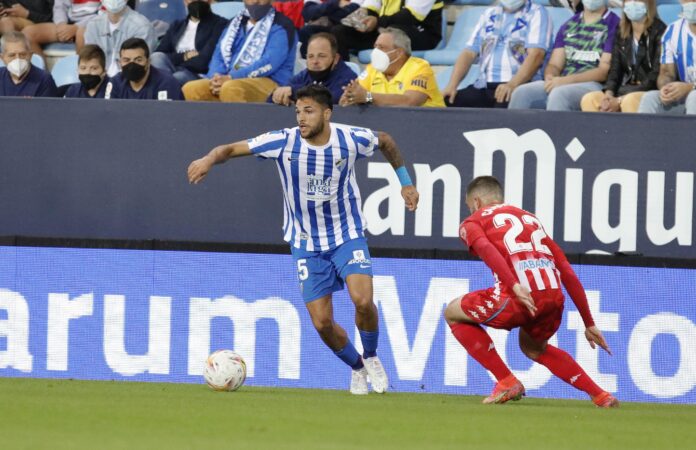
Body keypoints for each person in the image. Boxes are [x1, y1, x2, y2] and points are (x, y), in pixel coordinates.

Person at [187, 85, 420, 395]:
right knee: (322, 323)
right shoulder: (283, 142)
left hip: (347, 234)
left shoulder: (350, 139)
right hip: (306, 243)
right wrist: (208, 159)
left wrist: (405, 183)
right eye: (298, 111)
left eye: (308, 111)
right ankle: (357, 367)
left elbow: (386, 141)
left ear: (327, 113)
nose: (301, 118)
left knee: (362, 300)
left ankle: (373, 356)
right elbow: (229, 149)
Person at [444, 176, 618, 408]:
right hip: (553, 298)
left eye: (469, 206)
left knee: (452, 312)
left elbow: (485, 248)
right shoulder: (530, 219)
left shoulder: (472, 222)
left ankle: (506, 381)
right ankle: (601, 396)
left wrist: (513, 285)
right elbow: (565, 269)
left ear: (475, 202)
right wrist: (589, 322)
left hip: (516, 297)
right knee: (534, 347)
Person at [508, 0, 620, 110]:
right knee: (521, 93)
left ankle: (554, 129)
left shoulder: (614, 24)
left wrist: (565, 81)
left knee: (559, 95)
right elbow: (554, 64)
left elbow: (603, 71)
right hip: (562, 82)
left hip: (594, 85)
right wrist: (551, 76)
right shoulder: (568, 25)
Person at [442, 0, 552, 108]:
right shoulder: (489, 13)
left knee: (499, 114)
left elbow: (536, 55)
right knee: (445, 103)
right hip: (484, 86)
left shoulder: (537, 12)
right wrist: (452, 86)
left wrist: (512, 84)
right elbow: (469, 53)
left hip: (519, 85)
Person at [182, 0, 297, 103]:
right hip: (228, 78)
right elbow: (219, 54)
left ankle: (238, 127)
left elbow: (270, 62)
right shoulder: (234, 23)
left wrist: (231, 77)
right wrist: (216, 78)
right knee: (191, 89)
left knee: (231, 88)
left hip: (270, 81)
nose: (256, 1)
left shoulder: (282, 25)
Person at [581, 0, 665, 113]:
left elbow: (655, 74)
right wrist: (609, 94)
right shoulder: (621, 30)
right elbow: (615, 69)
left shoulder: (660, 30)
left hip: (648, 90)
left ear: (648, 3)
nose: (633, 3)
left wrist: (620, 99)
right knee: (590, 99)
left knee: (629, 101)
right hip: (623, 89)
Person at [339, 26, 444, 107]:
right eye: (375, 47)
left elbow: (410, 101)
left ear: (399, 52)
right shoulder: (372, 69)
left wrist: (368, 96)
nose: (375, 52)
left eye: (381, 47)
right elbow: (349, 99)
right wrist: (350, 97)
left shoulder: (419, 68)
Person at [331, 0, 443, 61]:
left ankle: (390, 79)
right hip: (385, 29)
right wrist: (363, 19)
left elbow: (410, 16)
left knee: (393, 34)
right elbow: (371, 7)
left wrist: (377, 22)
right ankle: (344, 78)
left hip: (421, 33)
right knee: (339, 31)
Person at [150, 0, 229, 86]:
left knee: (177, 77)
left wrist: (175, 59)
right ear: (185, 1)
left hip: (196, 74)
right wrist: (184, 56)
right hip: (172, 69)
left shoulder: (220, 24)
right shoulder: (177, 25)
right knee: (156, 57)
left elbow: (203, 62)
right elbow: (161, 52)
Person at [637, 0, 696, 115]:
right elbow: (666, 73)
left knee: (694, 97)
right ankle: (642, 133)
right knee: (650, 98)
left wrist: (690, 87)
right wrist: (666, 88)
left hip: (692, 94)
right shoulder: (672, 31)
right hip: (687, 94)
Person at [269, 32, 355, 105]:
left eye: (321, 56)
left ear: (335, 58)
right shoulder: (305, 74)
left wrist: (295, 93)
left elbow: (329, 100)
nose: (315, 61)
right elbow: (283, 91)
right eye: (310, 56)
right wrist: (278, 96)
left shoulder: (348, 78)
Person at [83, 0, 157, 78]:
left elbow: (138, 68)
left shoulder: (142, 27)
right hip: (99, 84)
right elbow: (90, 63)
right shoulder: (93, 26)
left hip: (130, 83)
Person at [106, 37, 183, 100]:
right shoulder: (115, 83)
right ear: (120, 63)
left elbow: (168, 116)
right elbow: (109, 114)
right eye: (126, 60)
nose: (132, 64)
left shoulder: (166, 83)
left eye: (138, 60)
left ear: (148, 62)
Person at [22, 0, 101, 60]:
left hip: (91, 25)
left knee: (81, 34)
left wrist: (77, 27)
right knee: (27, 34)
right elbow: (59, 7)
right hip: (68, 23)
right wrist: (61, 24)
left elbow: (105, 14)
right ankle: (44, 77)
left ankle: (82, 76)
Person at [0, 30, 56, 96]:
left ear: (30, 55)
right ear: (2, 58)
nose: (17, 59)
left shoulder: (44, 80)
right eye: (12, 55)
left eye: (22, 54)